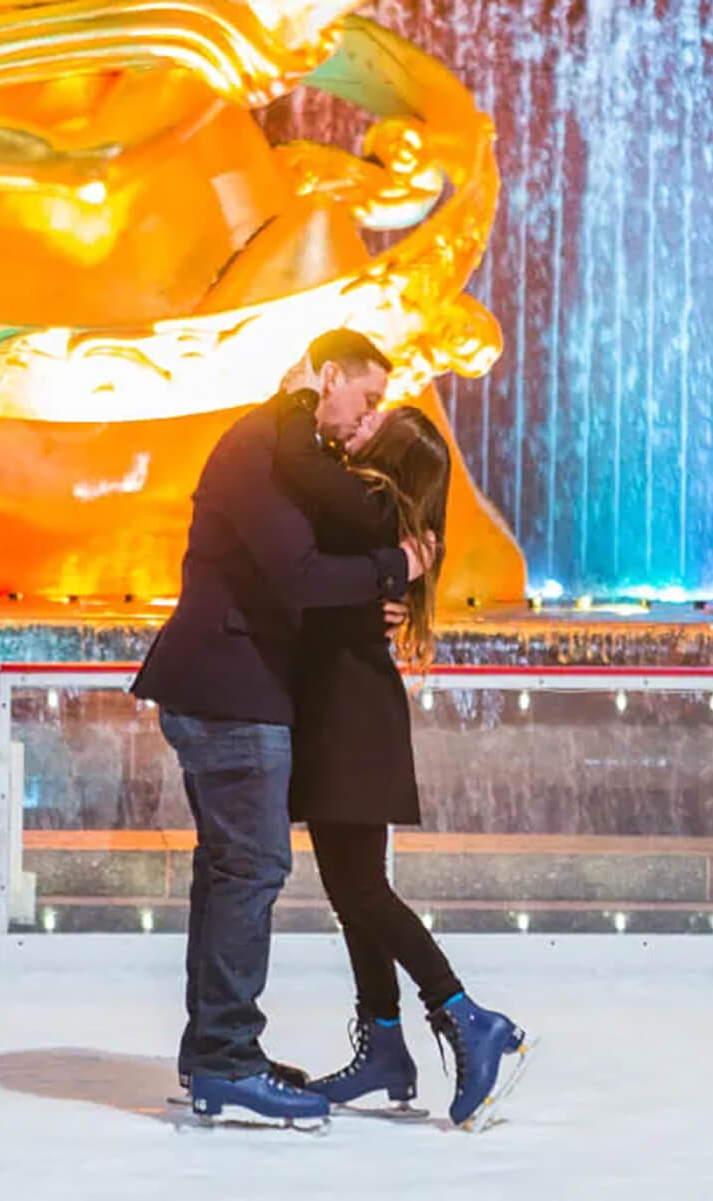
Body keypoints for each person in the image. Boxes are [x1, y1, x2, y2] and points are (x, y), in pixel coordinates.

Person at [130, 329, 435, 1127]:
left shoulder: (283, 442)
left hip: (239, 685)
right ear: (330, 376)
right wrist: (392, 569)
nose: (362, 419)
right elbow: (298, 576)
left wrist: (377, 599)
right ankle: (227, 1056)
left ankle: (216, 1050)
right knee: (254, 868)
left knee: (231, 869)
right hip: (231, 688)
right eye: (365, 399)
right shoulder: (263, 443)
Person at [271, 397, 530, 1131]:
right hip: (349, 717)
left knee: (360, 889)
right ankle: (384, 1042)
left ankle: (464, 1014)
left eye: (368, 429)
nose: (355, 430)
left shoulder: (371, 515)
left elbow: (309, 567)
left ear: (389, 467)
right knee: (355, 891)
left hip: (351, 720)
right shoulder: (388, 532)